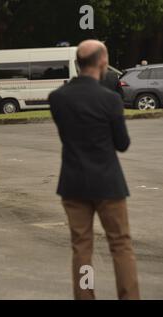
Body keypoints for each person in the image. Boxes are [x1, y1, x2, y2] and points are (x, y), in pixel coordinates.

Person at [49, 40, 140, 300]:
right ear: (102, 62)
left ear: (78, 63)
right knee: (120, 245)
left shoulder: (57, 98)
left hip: (74, 183)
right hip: (108, 184)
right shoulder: (110, 99)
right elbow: (122, 144)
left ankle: (86, 296)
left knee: (82, 247)